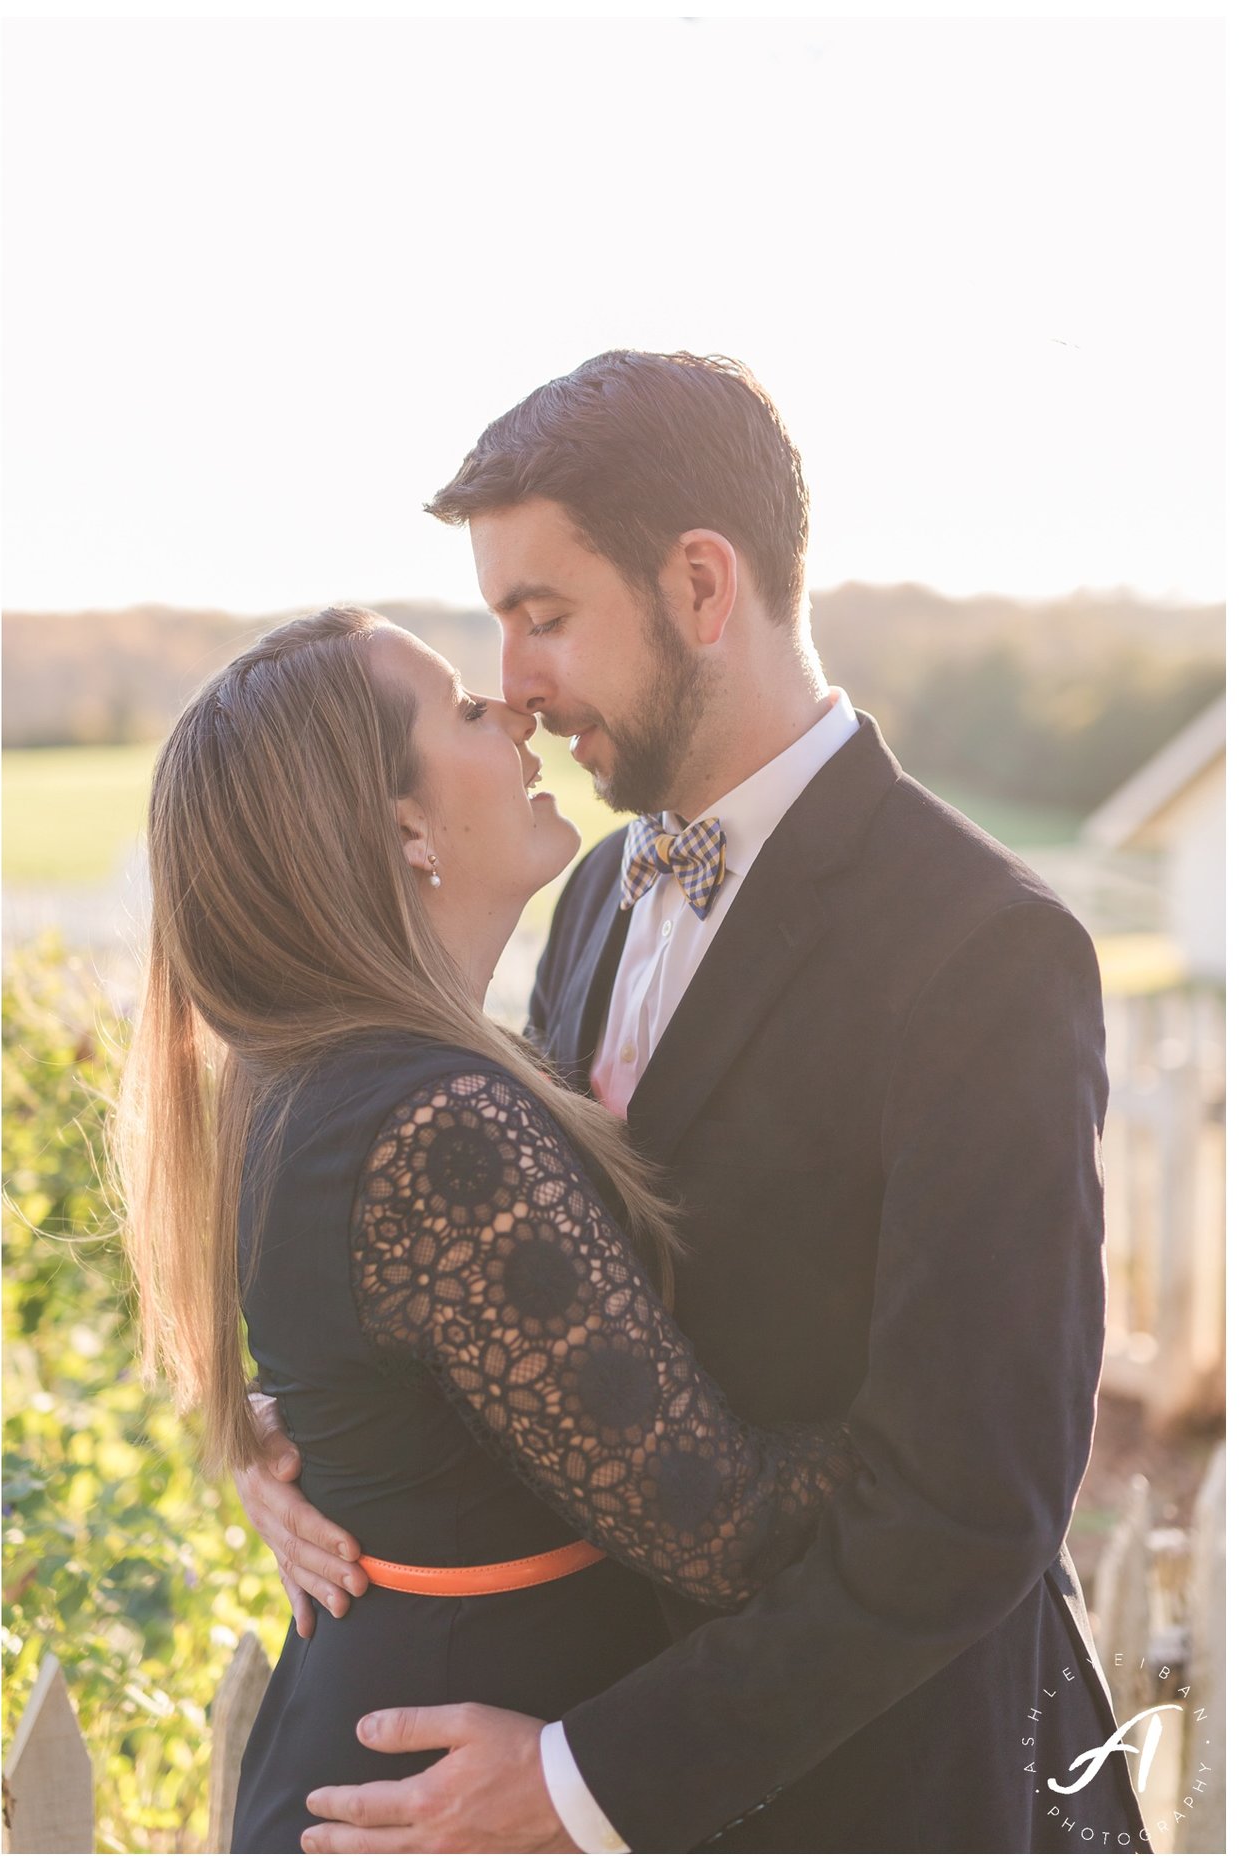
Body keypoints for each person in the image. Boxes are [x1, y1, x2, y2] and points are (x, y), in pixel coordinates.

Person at [234, 352, 1146, 1851]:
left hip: (871, 1788)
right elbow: (524, 1294)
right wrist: (309, 1441)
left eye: (544, 617)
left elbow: (971, 1503)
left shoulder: (985, 951)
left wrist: (584, 1780)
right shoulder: (595, 889)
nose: (515, 683)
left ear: (704, 587)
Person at [118, 601, 866, 1855]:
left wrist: (270, 1439)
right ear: (401, 825)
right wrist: (952, 1424)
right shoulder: (435, 1123)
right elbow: (723, 1529)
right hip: (444, 1783)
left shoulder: (309, 1071)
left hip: (389, 1732)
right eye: (465, 705)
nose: (514, 711)